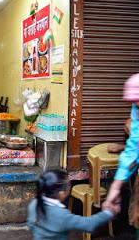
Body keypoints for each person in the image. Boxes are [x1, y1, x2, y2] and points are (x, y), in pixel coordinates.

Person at [27, 169, 118, 240]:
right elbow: (89, 224)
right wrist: (108, 213)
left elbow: (31, 225)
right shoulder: (61, 215)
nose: (70, 188)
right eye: (69, 186)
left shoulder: (34, 204)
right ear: (61, 193)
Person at [104, 73, 139, 227]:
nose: (137, 106)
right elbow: (134, 146)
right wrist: (116, 186)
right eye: (135, 104)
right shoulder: (136, 109)